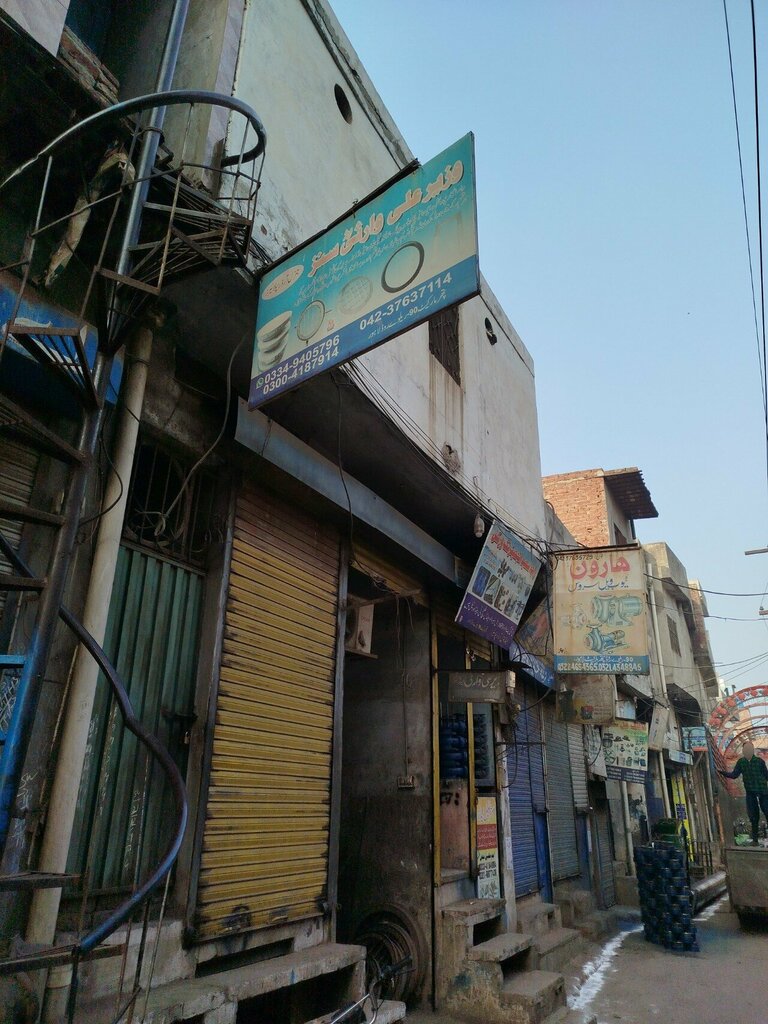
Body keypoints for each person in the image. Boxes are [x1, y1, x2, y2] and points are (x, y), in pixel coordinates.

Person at [718, 740, 768, 845]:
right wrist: (722, 772)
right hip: (750, 792)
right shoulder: (741, 762)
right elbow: (734, 775)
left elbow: (767, 775)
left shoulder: (759, 762)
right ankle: (755, 840)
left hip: (763, 791)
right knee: (753, 817)